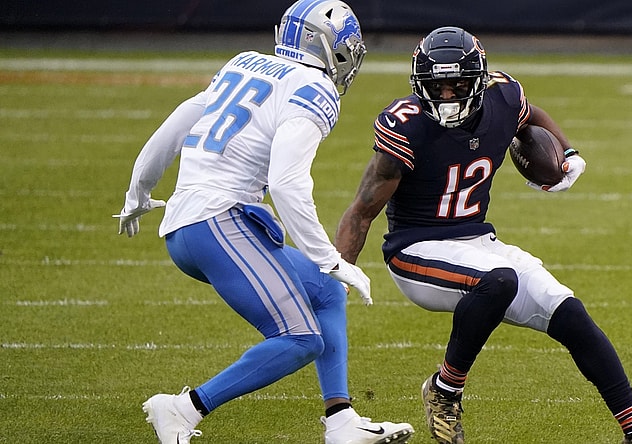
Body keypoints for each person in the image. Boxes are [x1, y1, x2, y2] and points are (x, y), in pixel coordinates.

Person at [334, 26, 632, 444]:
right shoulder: (406, 125)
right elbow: (362, 210)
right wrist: (338, 273)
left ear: (478, 81)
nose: (446, 97)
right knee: (499, 279)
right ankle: (444, 391)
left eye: (456, 85)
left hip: (477, 242)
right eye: (436, 87)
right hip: (414, 249)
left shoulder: (503, 94)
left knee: (569, 312)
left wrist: (566, 153)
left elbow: (530, 114)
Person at [114, 1, 414, 443]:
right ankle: (183, 407)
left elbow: (177, 122)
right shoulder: (315, 88)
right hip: (218, 224)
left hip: (193, 225)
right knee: (301, 337)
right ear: (328, 46)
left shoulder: (245, 63)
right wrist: (329, 257)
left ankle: (341, 421)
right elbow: (287, 182)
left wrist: (138, 190)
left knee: (325, 292)